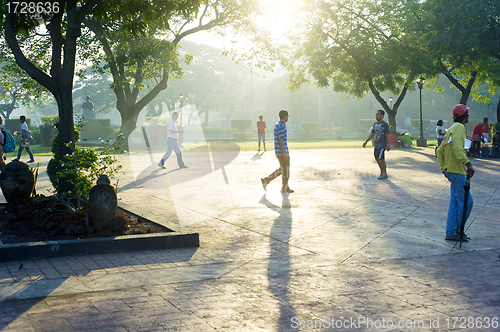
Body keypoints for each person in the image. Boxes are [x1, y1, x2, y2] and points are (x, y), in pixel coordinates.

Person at [436, 104, 474, 242]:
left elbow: (439, 151)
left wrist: (443, 168)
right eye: (467, 114)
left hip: (451, 170)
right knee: (466, 203)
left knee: (455, 203)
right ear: (464, 116)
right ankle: (458, 230)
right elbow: (458, 149)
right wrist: (468, 164)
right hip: (457, 171)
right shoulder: (459, 128)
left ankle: (451, 232)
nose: (468, 116)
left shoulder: (451, 129)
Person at [261, 110, 294, 193]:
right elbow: (280, 139)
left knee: (283, 170)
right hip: (282, 151)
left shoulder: (278, 125)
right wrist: (284, 152)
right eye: (287, 116)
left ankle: (283, 187)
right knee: (285, 170)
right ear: (284, 116)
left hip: (279, 151)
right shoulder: (281, 126)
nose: (288, 118)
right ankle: (268, 181)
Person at [362, 110, 390, 179]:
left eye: (378, 114)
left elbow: (387, 135)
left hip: (382, 145)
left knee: (379, 158)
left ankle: (382, 172)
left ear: (382, 116)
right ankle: (385, 173)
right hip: (376, 144)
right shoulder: (375, 124)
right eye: (376, 114)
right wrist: (366, 141)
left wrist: (388, 145)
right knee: (380, 158)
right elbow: (372, 133)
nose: (376, 116)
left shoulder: (385, 124)